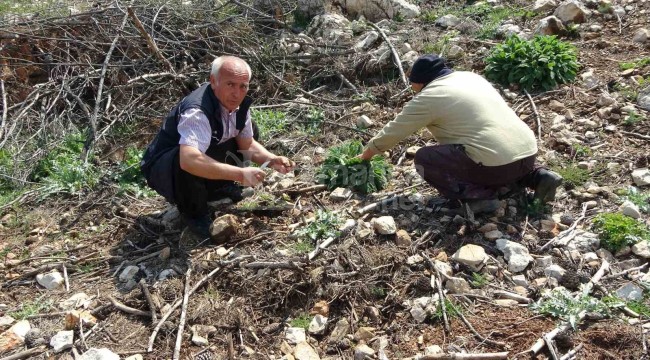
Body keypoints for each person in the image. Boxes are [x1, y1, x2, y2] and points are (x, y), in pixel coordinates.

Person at [359, 54, 562, 211]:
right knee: (495, 152)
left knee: (425, 159)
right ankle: (538, 176)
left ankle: (479, 197)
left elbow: (395, 131)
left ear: (420, 82)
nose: (411, 87)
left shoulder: (430, 96)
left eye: (412, 83)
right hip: (528, 153)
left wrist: (366, 155)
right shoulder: (470, 77)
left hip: (496, 164)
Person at [141, 55, 295, 236]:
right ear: (213, 81)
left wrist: (271, 160)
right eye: (230, 84)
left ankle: (217, 188)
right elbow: (189, 160)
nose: (237, 93)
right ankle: (194, 213)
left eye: (242, 86)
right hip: (164, 168)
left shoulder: (238, 106)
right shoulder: (197, 111)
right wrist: (239, 174)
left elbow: (247, 144)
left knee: (246, 130)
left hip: (198, 155)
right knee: (187, 157)